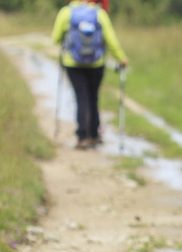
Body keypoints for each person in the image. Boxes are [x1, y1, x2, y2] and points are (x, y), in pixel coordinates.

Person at [52, 0, 128, 150]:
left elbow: (56, 38)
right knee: (93, 96)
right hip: (96, 63)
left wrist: (67, 42)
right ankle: (94, 134)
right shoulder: (99, 13)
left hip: (73, 63)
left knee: (81, 97)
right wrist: (121, 58)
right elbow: (111, 39)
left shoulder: (65, 12)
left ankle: (82, 136)